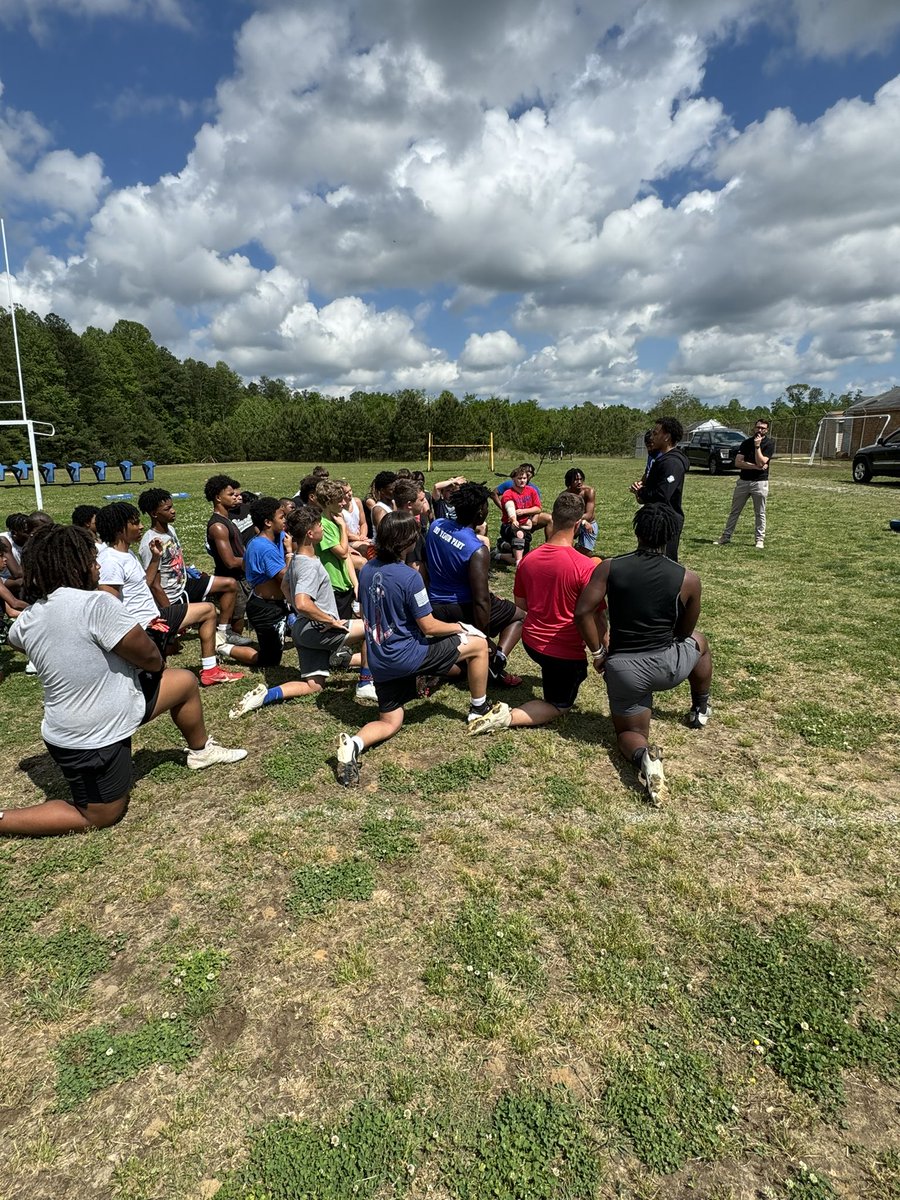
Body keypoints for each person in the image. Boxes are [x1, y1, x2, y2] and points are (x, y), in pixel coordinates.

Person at [2, 524, 247, 836]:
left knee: (184, 682)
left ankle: (202, 751)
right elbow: (151, 659)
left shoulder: (31, 616)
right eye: (92, 561)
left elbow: (17, 638)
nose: (98, 566)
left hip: (65, 728)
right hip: (93, 736)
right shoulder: (97, 604)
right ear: (74, 565)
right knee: (100, 815)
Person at [335, 511, 507, 786]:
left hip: (380, 661)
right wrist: (462, 627)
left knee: (390, 722)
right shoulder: (409, 577)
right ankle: (479, 708)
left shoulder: (366, 569)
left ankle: (354, 745)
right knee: (477, 646)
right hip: (407, 656)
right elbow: (429, 627)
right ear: (405, 544)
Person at [574, 504, 713, 808]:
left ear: (636, 532)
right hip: (667, 665)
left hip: (624, 669)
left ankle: (644, 759)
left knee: (631, 733)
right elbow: (685, 631)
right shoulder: (688, 578)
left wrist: (598, 652)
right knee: (700, 641)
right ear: (671, 535)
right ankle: (700, 708)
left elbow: (583, 611)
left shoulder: (610, 567)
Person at [469, 491, 605, 736]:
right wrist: (602, 651)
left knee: (559, 672)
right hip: (562, 652)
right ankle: (507, 716)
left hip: (532, 643)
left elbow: (523, 604)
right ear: (576, 524)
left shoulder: (528, 560)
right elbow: (596, 616)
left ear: (553, 519)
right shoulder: (585, 567)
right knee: (559, 705)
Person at [230, 505, 375, 717]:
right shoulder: (308, 565)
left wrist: (300, 612)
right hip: (319, 629)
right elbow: (303, 602)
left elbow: (285, 587)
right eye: (318, 525)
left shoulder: (297, 558)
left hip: (302, 630)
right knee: (372, 628)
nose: (322, 528)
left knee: (313, 685)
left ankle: (266, 696)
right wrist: (330, 620)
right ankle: (366, 682)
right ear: (310, 533)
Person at [96, 502, 247, 686]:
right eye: (135, 523)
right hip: (143, 627)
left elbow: (146, 584)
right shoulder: (110, 560)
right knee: (159, 678)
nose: (141, 526)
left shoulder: (127, 554)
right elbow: (109, 605)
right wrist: (139, 632)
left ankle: (210, 671)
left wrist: (156, 559)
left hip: (156, 617)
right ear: (120, 529)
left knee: (208, 611)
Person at [424, 481, 524, 688]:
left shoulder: (436, 526)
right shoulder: (476, 548)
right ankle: (494, 662)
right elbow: (480, 600)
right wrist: (484, 639)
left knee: (461, 659)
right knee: (520, 617)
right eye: (486, 506)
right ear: (480, 512)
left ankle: (450, 665)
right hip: (462, 606)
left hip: (433, 605)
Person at [137, 488, 250, 649]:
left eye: (172, 506)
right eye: (167, 509)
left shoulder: (170, 530)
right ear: (154, 514)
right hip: (171, 595)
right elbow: (154, 585)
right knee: (173, 648)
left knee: (230, 584)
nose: (173, 511)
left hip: (185, 584)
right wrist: (171, 613)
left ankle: (224, 632)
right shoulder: (150, 543)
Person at [629, 418, 688, 561]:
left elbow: (662, 493)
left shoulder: (672, 463)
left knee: (665, 560)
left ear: (667, 437)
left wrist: (641, 491)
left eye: (656, 433)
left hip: (665, 521)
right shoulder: (662, 460)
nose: (652, 436)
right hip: (654, 518)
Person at [204, 474, 253, 638]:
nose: (236, 497)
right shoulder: (218, 526)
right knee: (236, 621)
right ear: (218, 497)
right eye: (230, 494)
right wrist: (254, 561)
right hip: (232, 579)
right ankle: (226, 646)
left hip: (241, 577)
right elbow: (230, 562)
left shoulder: (227, 520)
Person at [716, 418, 776, 550]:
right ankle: (725, 537)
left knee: (760, 512)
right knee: (734, 511)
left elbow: (761, 462)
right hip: (743, 481)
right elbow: (738, 463)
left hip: (760, 482)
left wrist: (757, 447)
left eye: (763, 428)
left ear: (767, 430)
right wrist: (755, 467)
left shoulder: (769, 444)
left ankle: (759, 540)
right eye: (758, 427)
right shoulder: (745, 443)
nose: (759, 430)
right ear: (754, 428)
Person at [315, 479, 358, 619]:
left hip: (345, 584)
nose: (344, 503)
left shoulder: (336, 520)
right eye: (339, 500)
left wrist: (355, 583)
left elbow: (347, 558)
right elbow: (342, 553)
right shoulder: (324, 525)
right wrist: (343, 528)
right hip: (333, 586)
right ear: (327, 503)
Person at [499, 466, 542, 565]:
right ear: (513, 479)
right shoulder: (508, 494)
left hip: (525, 525)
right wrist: (514, 520)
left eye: (524, 478)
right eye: (519, 478)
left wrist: (523, 511)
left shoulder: (531, 491)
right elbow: (510, 507)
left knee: (525, 556)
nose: (522, 481)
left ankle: (501, 549)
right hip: (509, 525)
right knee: (519, 534)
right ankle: (519, 564)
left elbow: (538, 508)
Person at [561, 468, 598, 554]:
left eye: (581, 479)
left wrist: (583, 521)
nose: (579, 482)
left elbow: (589, 514)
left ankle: (576, 549)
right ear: (569, 481)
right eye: (576, 480)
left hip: (589, 522)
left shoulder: (589, 492)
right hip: (571, 523)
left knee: (585, 552)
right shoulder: (565, 495)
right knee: (563, 545)